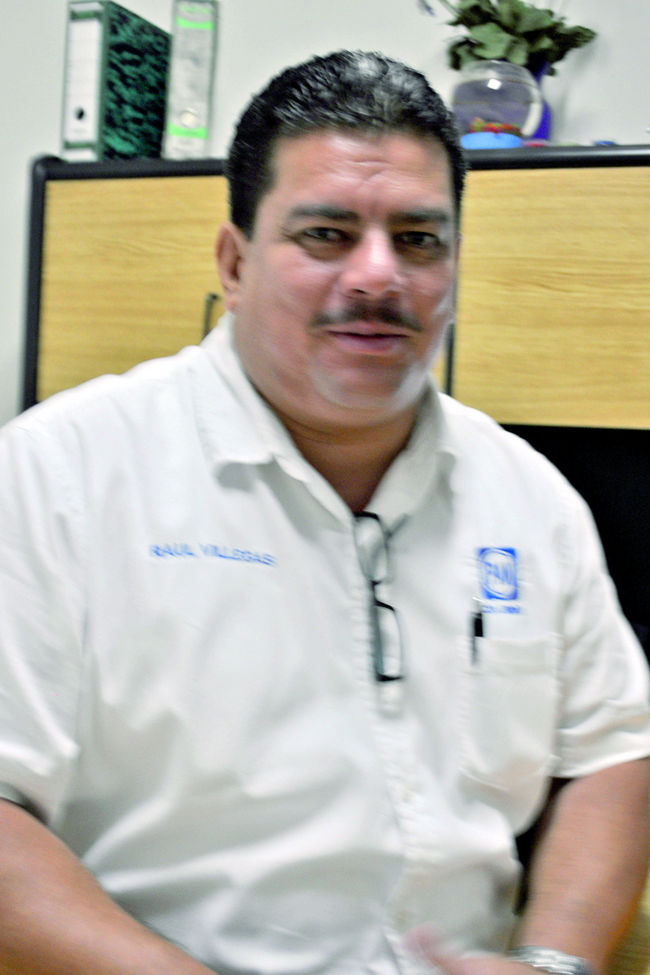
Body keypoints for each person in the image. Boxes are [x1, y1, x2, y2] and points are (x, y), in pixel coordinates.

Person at [0, 50, 649, 975]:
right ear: (234, 262)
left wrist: (555, 961)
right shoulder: (59, 473)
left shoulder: (529, 497)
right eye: (326, 234)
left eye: (418, 239)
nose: (378, 275)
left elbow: (615, 746)